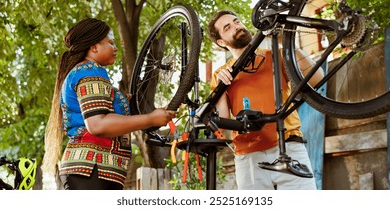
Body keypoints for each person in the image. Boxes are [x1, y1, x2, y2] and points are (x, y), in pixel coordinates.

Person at [42, 18, 176, 190]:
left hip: (92, 172)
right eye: (111, 43)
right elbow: (98, 124)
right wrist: (151, 119)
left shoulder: (84, 72)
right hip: (92, 171)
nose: (115, 48)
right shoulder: (90, 71)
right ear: (94, 47)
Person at [207, 10, 323, 190]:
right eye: (227, 27)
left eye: (236, 21)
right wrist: (221, 90)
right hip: (249, 156)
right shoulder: (221, 75)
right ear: (221, 42)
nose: (236, 26)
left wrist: (287, 43)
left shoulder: (275, 55)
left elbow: (317, 79)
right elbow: (221, 126)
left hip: (288, 146)